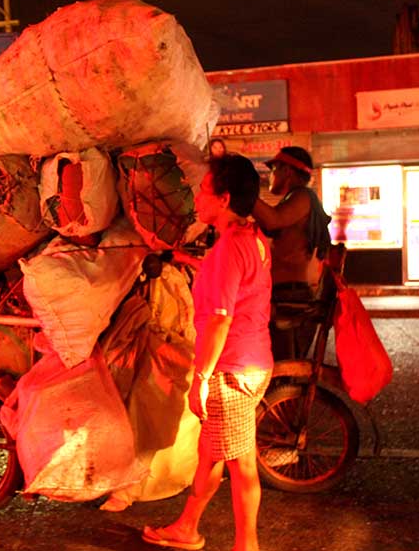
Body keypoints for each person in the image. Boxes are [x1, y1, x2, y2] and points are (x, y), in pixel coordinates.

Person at [142, 153, 272, 551]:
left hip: (230, 370)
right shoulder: (252, 238)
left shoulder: (229, 249)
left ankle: (246, 546)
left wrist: (201, 379)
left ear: (224, 198)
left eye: (203, 188)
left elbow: (219, 320)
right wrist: (187, 260)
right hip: (253, 361)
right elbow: (236, 283)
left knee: (242, 465)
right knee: (209, 455)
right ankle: (187, 527)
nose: (197, 196)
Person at [252, 146, 331, 359]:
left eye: (274, 168)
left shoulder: (302, 196)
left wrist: (245, 194)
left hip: (289, 296)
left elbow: (273, 220)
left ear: (287, 171)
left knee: (280, 371)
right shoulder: (291, 200)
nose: (271, 175)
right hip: (282, 293)